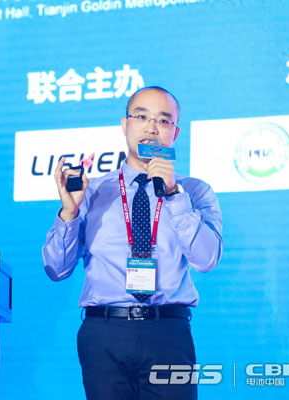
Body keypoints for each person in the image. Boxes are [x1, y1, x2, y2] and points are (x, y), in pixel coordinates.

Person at [42, 86, 223, 400]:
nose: (152, 127)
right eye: (142, 117)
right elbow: (56, 269)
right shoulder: (92, 191)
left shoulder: (194, 191)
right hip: (104, 333)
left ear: (175, 132)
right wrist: (69, 212)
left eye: (163, 121)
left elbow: (206, 260)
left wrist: (173, 194)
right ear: (125, 125)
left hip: (168, 332)